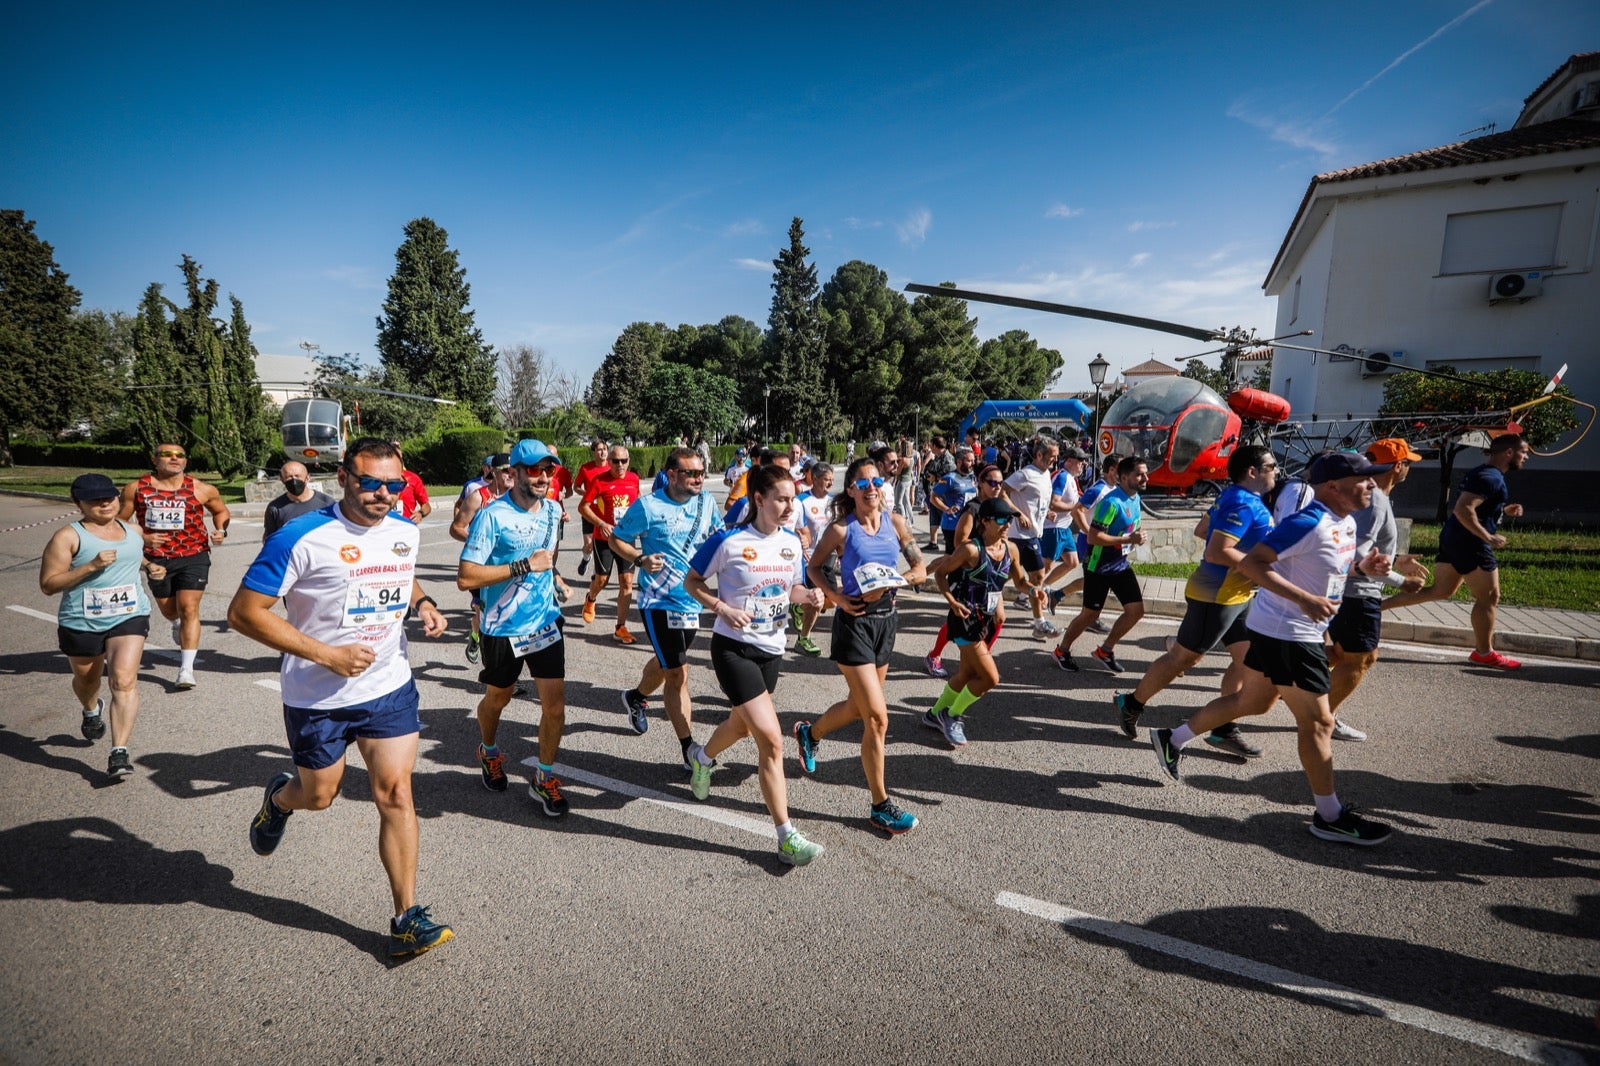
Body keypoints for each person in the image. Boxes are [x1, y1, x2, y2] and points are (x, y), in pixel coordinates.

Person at [228, 437, 455, 954]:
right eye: (371, 482)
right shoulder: (300, 536)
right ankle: (280, 800)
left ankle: (405, 918)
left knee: (395, 793)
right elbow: (244, 614)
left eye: (393, 485)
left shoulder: (402, 530)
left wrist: (423, 602)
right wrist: (325, 655)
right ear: (344, 479)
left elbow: (397, 571)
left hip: (387, 685)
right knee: (321, 795)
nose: (382, 494)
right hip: (316, 695)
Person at [1148, 451, 1397, 846]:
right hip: (1290, 632)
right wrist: (1304, 600)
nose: (1372, 485)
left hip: (1286, 628)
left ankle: (1172, 738)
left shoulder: (1345, 522)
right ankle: (1329, 816)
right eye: (1364, 479)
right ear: (1333, 486)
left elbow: (1327, 564)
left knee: (1253, 703)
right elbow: (1254, 563)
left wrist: (1365, 569)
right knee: (1319, 723)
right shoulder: (1306, 521)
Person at [681, 464, 828, 866]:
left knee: (743, 724)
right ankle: (786, 836)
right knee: (772, 740)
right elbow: (691, 582)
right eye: (781, 498)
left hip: (772, 648)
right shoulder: (728, 541)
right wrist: (721, 607)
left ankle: (703, 758)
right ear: (758, 499)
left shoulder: (791, 544)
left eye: (793, 499)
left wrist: (808, 597)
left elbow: (791, 587)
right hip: (734, 650)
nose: (789, 506)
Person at [1112, 445, 1279, 757]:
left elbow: (1203, 529)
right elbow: (1216, 550)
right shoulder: (1242, 503)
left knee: (1248, 662)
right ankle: (1131, 704)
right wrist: (1260, 566)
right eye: (1271, 466)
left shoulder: (1238, 498)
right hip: (1217, 597)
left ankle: (1223, 728)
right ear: (1252, 472)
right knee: (1183, 659)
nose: (1277, 471)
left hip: (1239, 594)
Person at [794, 458, 928, 834]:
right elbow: (814, 569)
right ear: (850, 490)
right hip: (853, 623)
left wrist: (902, 576)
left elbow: (920, 567)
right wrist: (835, 596)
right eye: (863, 482)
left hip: (886, 622)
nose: (872, 487)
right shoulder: (841, 530)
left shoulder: (896, 522)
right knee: (877, 718)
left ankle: (811, 733)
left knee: (858, 707)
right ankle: (880, 805)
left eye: (877, 480)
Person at [457, 439, 573, 815]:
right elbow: (466, 577)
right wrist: (523, 567)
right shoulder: (492, 516)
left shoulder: (554, 511)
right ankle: (488, 751)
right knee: (498, 699)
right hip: (502, 628)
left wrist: (554, 579)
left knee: (554, 707)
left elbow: (545, 559)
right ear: (516, 472)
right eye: (535, 470)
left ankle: (544, 777)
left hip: (543, 621)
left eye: (549, 470)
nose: (543, 477)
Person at [40, 473, 166, 779]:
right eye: (94, 499)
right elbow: (48, 584)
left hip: (129, 614)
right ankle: (90, 708)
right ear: (78, 503)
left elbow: (131, 557)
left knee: (123, 680)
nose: (104, 503)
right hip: (81, 621)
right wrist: (90, 566)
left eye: (109, 497)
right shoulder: (68, 537)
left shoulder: (132, 530)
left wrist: (150, 566)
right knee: (87, 681)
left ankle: (118, 752)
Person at [608, 446, 725, 771]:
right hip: (657, 599)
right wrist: (639, 558)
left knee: (666, 663)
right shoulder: (648, 506)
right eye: (692, 473)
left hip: (692, 598)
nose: (700, 479)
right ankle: (690, 749)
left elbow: (719, 539)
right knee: (678, 672)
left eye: (702, 472)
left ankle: (635, 697)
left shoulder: (706, 503)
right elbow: (617, 539)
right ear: (672, 474)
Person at [1381, 433, 1529, 669]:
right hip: (1471, 544)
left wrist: (1503, 510)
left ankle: (1376, 609)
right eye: (1524, 452)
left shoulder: (1483, 472)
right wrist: (1487, 536)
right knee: (1489, 597)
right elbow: (1463, 509)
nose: (1526, 456)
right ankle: (1484, 652)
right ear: (1509, 453)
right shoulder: (1490, 477)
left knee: (1441, 591)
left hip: (1454, 539)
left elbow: (1477, 507)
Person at [1326, 439, 1430, 739]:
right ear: (1397, 466)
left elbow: (1360, 544)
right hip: (1357, 594)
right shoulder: (1374, 500)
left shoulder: (1368, 495)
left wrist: (1396, 558)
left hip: (1350, 591)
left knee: (1345, 654)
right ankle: (1323, 719)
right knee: (1360, 659)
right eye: (1408, 462)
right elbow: (1355, 553)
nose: (1409, 467)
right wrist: (1402, 581)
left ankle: (1294, 685)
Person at [120, 442, 230, 690]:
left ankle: (186, 670)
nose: (173, 458)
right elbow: (119, 522)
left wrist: (221, 529)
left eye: (179, 455)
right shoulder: (137, 488)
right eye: (166, 454)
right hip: (156, 559)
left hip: (194, 554)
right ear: (154, 459)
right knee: (171, 612)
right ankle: (177, 623)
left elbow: (220, 510)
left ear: (185, 461)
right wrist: (142, 538)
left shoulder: (201, 488)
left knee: (190, 609)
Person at [923, 496, 1032, 747]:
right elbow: (941, 573)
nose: (1007, 525)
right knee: (990, 678)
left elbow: (1020, 583)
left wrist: (1035, 589)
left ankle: (933, 714)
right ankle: (950, 715)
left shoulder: (1011, 550)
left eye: (1010, 520)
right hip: (964, 620)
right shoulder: (971, 550)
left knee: (966, 673)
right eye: (1002, 520)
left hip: (986, 620)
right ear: (984, 521)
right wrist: (951, 600)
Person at [1052, 457, 1148, 673]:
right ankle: (1061, 651)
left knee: (1136, 611)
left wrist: (1137, 536)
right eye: (1139, 474)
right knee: (1090, 615)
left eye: (1145, 473)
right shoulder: (1111, 503)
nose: (1145, 478)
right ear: (1124, 478)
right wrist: (1128, 540)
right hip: (1099, 566)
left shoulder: (1135, 498)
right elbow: (1094, 538)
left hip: (1119, 564)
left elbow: (1127, 529)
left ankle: (1105, 651)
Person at [924, 461, 1003, 679]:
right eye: (992, 482)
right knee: (960, 620)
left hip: (991, 572)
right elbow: (961, 542)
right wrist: (980, 551)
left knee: (997, 618)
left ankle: (981, 656)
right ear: (980, 483)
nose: (997, 486)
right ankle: (934, 655)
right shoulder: (973, 508)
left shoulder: (999, 504)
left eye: (1000, 483)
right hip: (968, 571)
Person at [451, 454, 514, 664]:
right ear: (493, 472)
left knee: (507, 615)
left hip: (507, 567)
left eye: (512, 469)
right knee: (485, 614)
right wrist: (479, 544)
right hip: (480, 568)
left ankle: (479, 639)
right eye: (505, 470)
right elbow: (456, 528)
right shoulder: (479, 497)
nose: (510, 474)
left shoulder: (517, 497)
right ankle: (494, 671)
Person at [577, 444, 643, 644]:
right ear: (610, 462)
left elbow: (637, 501)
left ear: (628, 461)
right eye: (615, 461)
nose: (620, 465)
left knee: (627, 582)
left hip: (626, 538)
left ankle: (620, 627)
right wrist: (601, 523)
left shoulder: (634, 479)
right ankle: (591, 598)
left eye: (624, 461)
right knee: (602, 580)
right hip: (603, 538)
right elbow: (583, 507)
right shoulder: (599, 481)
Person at [1002, 439, 1061, 638]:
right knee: (1037, 577)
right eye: (1052, 456)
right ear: (1039, 455)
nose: (1055, 459)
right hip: (1020, 536)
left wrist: (1048, 513)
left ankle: (980, 598)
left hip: (1033, 533)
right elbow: (1002, 492)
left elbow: (1037, 502)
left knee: (1009, 575)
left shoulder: (1045, 474)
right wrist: (1018, 514)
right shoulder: (1025, 474)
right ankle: (1039, 623)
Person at [794, 461, 835, 656]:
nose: (830, 484)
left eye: (832, 480)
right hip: (808, 559)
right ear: (815, 479)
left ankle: (798, 605)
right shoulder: (800, 501)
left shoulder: (834, 501)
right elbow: (788, 526)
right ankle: (803, 639)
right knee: (816, 601)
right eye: (827, 480)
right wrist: (799, 542)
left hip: (828, 557)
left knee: (831, 601)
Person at [1038, 445, 1089, 595]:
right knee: (1046, 565)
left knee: (1072, 562)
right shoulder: (1062, 477)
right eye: (1081, 461)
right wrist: (1075, 507)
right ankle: (1025, 594)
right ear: (1070, 461)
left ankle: (1044, 586)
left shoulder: (1070, 478)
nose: (1083, 464)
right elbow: (1054, 503)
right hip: (1053, 528)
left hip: (1063, 528)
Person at [262, 462, 335, 540]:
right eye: (289, 477)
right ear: (282, 479)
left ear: (308, 478)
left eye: (297, 476)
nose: (294, 480)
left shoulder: (327, 503)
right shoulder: (275, 508)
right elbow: (270, 539)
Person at [570, 440, 610, 577]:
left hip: (606, 512)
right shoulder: (586, 469)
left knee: (601, 542)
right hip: (589, 511)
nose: (603, 452)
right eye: (599, 449)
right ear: (593, 452)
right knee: (589, 544)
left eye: (605, 448)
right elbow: (576, 487)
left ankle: (596, 572)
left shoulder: (612, 467)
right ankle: (586, 558)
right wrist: (587, 494)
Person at [921, 435, 956, 549]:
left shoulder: (948, 458)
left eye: (931, 445)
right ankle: (933, 542)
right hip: (936, 492)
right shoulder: (938, 457)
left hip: (945, 495)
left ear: (935, 446)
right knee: (934, 517)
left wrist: (935, 478)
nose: (930, 447)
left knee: (945, 516)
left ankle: (949, 541)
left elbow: (949, 478)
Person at [390, 441, 431, 523]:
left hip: (407, 526)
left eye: (398, 456)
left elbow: (426, 506)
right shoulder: (379, 479)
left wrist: (420, 513)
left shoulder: (413, 478)